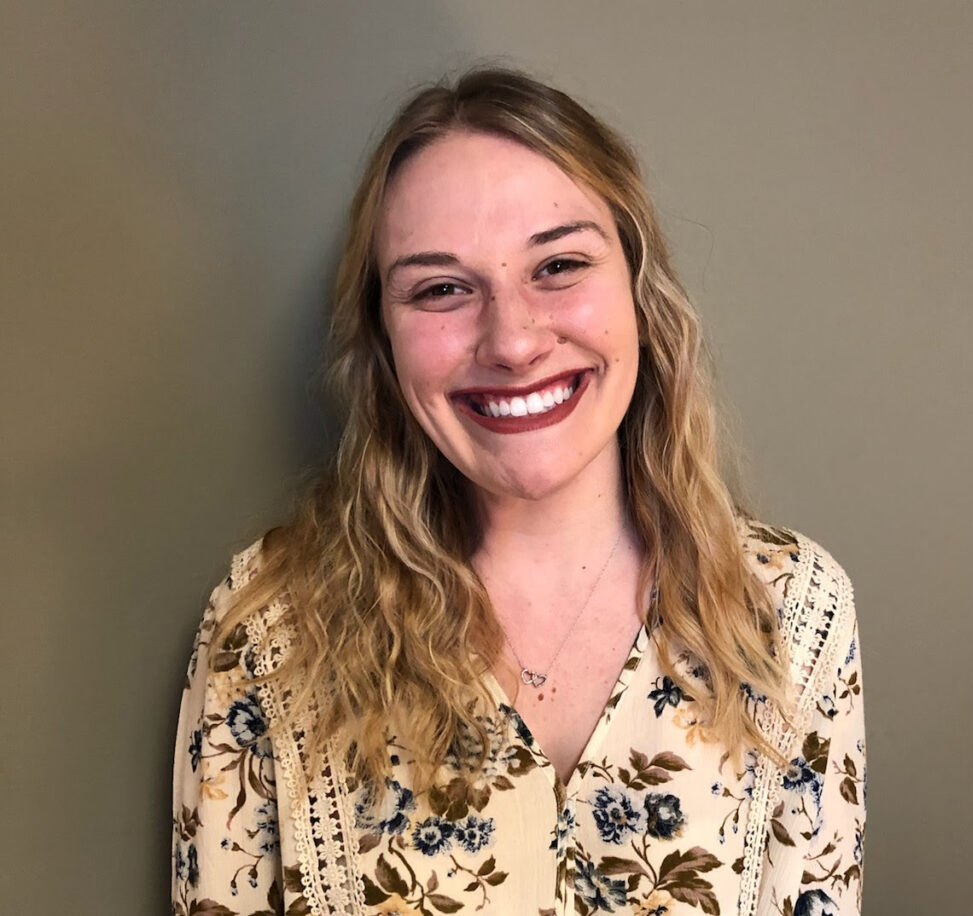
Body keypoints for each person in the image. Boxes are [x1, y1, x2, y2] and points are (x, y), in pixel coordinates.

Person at [172, 69, 864, 916]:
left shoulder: (793, 614)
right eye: (442, 289)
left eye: (560, 264)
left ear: (640, 296)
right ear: (385, 341)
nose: (513, 340)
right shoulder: (271, 628)